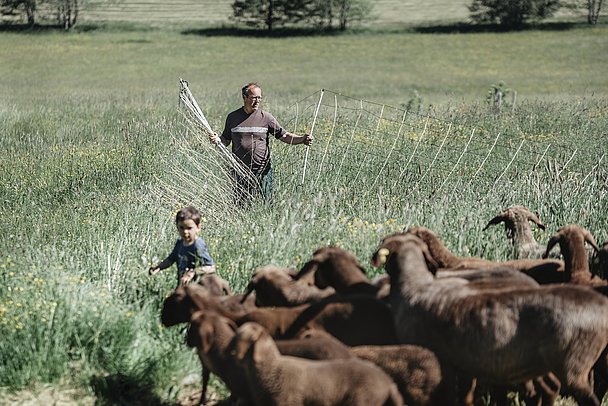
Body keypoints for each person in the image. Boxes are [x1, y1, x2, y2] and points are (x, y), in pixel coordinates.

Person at [210, 82, 313, 203]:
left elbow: (284, 136)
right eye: (254, 98)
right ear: (244, 97)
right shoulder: (233, 117)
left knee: (266, 202)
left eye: (259, 98)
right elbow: (226, 140)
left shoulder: (266, 118)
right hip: (239, 170)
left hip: (262, 170)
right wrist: (217, 140)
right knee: (240, 204)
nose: (257, 101)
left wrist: (302, 139)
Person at [149, 206, 215, 288]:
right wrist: (158, 267)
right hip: (183, 286)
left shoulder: (197, 245)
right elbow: (170, 260)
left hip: (198, 289)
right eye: (181, 227)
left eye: (189, 228)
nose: (185, 232)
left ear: (198, 227)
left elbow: (211, 267)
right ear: (177, 227)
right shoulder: (180, 243)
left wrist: (194, 272)